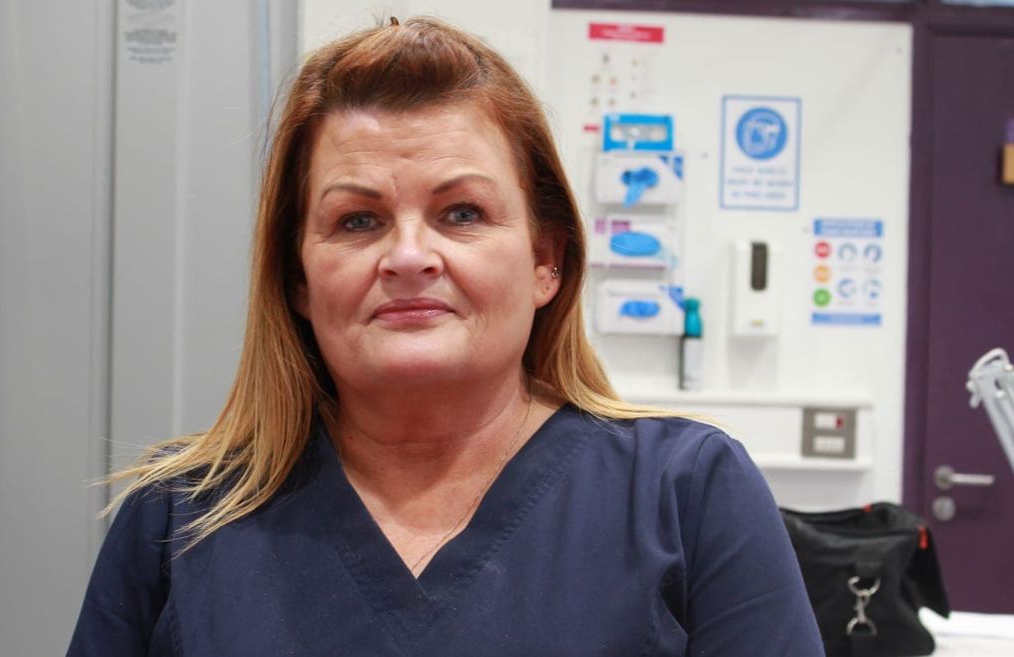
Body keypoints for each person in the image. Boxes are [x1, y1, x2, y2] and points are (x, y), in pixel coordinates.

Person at [68, 17, 822, 656]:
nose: (406, 256)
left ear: (545, 260)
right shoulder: (178, 523)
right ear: (297, 277)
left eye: (461, 213)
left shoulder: (687, 498)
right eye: (356, 220)